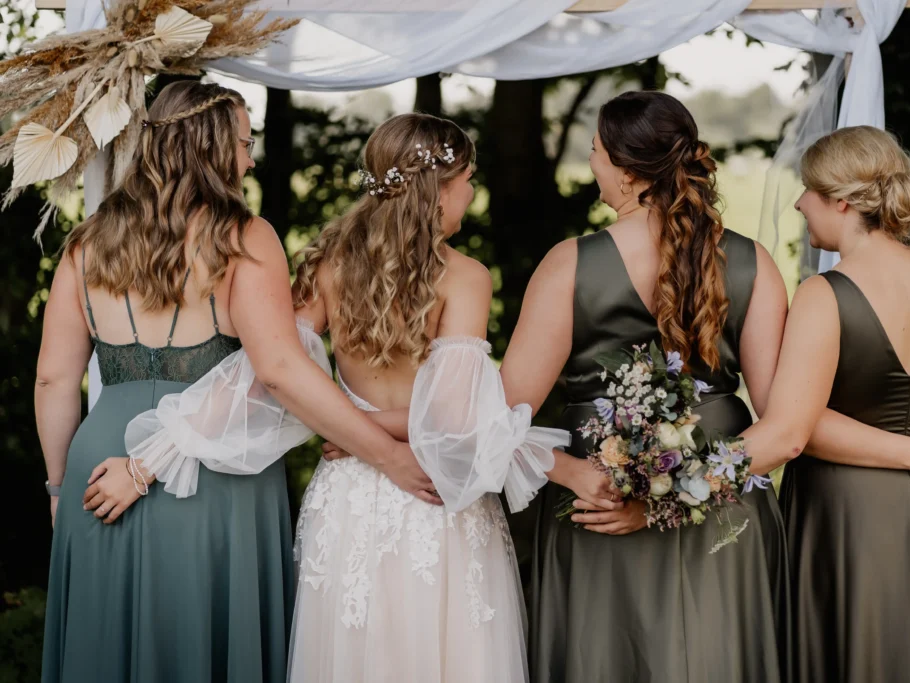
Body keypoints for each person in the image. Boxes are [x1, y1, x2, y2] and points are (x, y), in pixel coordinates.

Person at [36, 81, 436, 683]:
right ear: (211, 147)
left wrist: (60, 489)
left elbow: (53, 380)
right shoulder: (244, 238)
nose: (251, 159)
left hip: (97, 472)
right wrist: (385, 455)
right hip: (213, 473)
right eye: (245, 144)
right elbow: (278, 370)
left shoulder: (86, 244)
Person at [497, 90, 793, 683]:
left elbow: (497, 416)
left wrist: (575, 474)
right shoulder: (753, 262)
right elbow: (780, 428)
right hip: (721, 507)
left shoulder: (568, 265)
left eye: (596, 153)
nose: (592, 168)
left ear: (629, 172)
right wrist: (680, 494)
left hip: (596, 505)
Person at [287, 112, 567, 683]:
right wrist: (372, 430)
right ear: (438, 190)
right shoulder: (464, 276)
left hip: (351, 487)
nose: (472, 190)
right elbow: (455, 415)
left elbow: (285, 371)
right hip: (434, 487)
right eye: (467, 177)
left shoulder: (327, 263)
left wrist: (347, 428)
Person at [738, 125, 910, 682]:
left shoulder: (824, 294)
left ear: (842, 201)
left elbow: (792, 431)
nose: (798, 201)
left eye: (809, 189)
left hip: (844, 521)